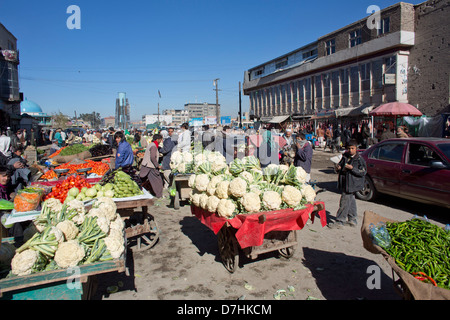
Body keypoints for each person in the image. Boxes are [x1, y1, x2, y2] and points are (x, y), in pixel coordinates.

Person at [328, 139, 367, 229]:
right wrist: (338, 168)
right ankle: (352, 219)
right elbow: (340, 166)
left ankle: (340, 221)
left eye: (352, 148)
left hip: (352, 184)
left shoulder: (359, 159)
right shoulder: (345, 156)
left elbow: (363, 172)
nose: (350, 150)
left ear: (356, 148)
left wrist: (352, 168)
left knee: (344, 202)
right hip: (345, 182)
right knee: (351, 200)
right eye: (349, 148)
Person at [140, 134, 164, 198]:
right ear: (157, 140)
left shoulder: (151, 144)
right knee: (157, 181)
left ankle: (139, 190)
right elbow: (153, 157)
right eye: (160, 139)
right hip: (150, 166)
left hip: (147, 165)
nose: (161, 141)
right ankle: (159, 195)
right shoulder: (153, 146)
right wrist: (157, 165)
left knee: (142, 179)